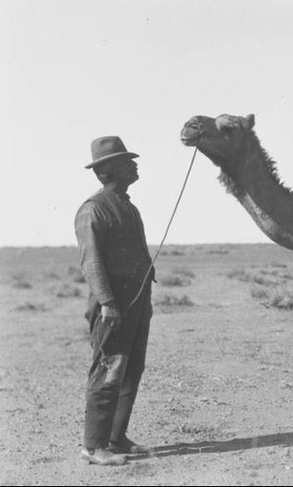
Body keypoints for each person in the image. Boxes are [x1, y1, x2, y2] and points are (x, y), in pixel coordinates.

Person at [75, 136, 154, 466]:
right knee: (109, 370)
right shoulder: (93, 209)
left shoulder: (129, 206)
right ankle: (94, 448)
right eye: (126, 161)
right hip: (113, 305)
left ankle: (115, 438)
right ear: (107, 170)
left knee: (131, 370)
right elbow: (91, 261)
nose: (134, 164)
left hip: (136, 303)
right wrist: (108, 303)